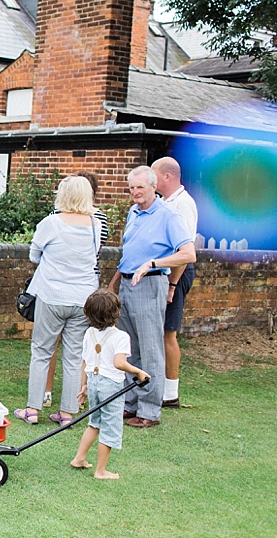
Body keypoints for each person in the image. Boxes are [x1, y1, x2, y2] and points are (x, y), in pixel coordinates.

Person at [107, 166, 196, 428]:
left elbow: (188, 253)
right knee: (128, 347)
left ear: (153, 187)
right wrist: (113, 285)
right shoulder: (133, 212)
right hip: (127, 284)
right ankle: (130, 403)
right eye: (132, 188)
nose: (135, 193)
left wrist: (153, 262)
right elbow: (129, 255)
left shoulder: (169, 214)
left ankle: (149, 411)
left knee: (150, 349)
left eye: (140, 188)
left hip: (150, 283)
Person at [14, 175, 101, 426]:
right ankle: (67, 413)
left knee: (42, 351)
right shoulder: (95, 225)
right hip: (83, 297)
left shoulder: (51, 223)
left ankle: (32, 409)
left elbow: (34, 256)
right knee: (74, 356)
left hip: (52, 295)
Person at [44, 170, 109, 408]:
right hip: (86, 286)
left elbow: (42, 251)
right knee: (79, 346)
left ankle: (46, 392)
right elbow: (96, 252)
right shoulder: (99, 219)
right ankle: (75, 399)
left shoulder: (55, 217)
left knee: (50, 342)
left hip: (56, 286)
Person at [70, 289, 151, 479]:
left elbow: (85, 362)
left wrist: (84, 386)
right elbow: (119, 363)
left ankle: (79, 458)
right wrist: (138, 371)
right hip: (110, 385)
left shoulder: (89, 333)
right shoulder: (121, 336)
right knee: (110, 425)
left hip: (94, 381)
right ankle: (101, 470)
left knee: (95, 422)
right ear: (117, 312)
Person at [152, 157, 198, 408]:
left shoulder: (183, 204)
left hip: (176, 273)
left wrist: (172, 284)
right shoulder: (165, 202)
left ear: (167, 177)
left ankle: (170, 392)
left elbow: (185, 249)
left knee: (168, 332)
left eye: (154, 175)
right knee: (159, 331)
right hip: (166, 272)